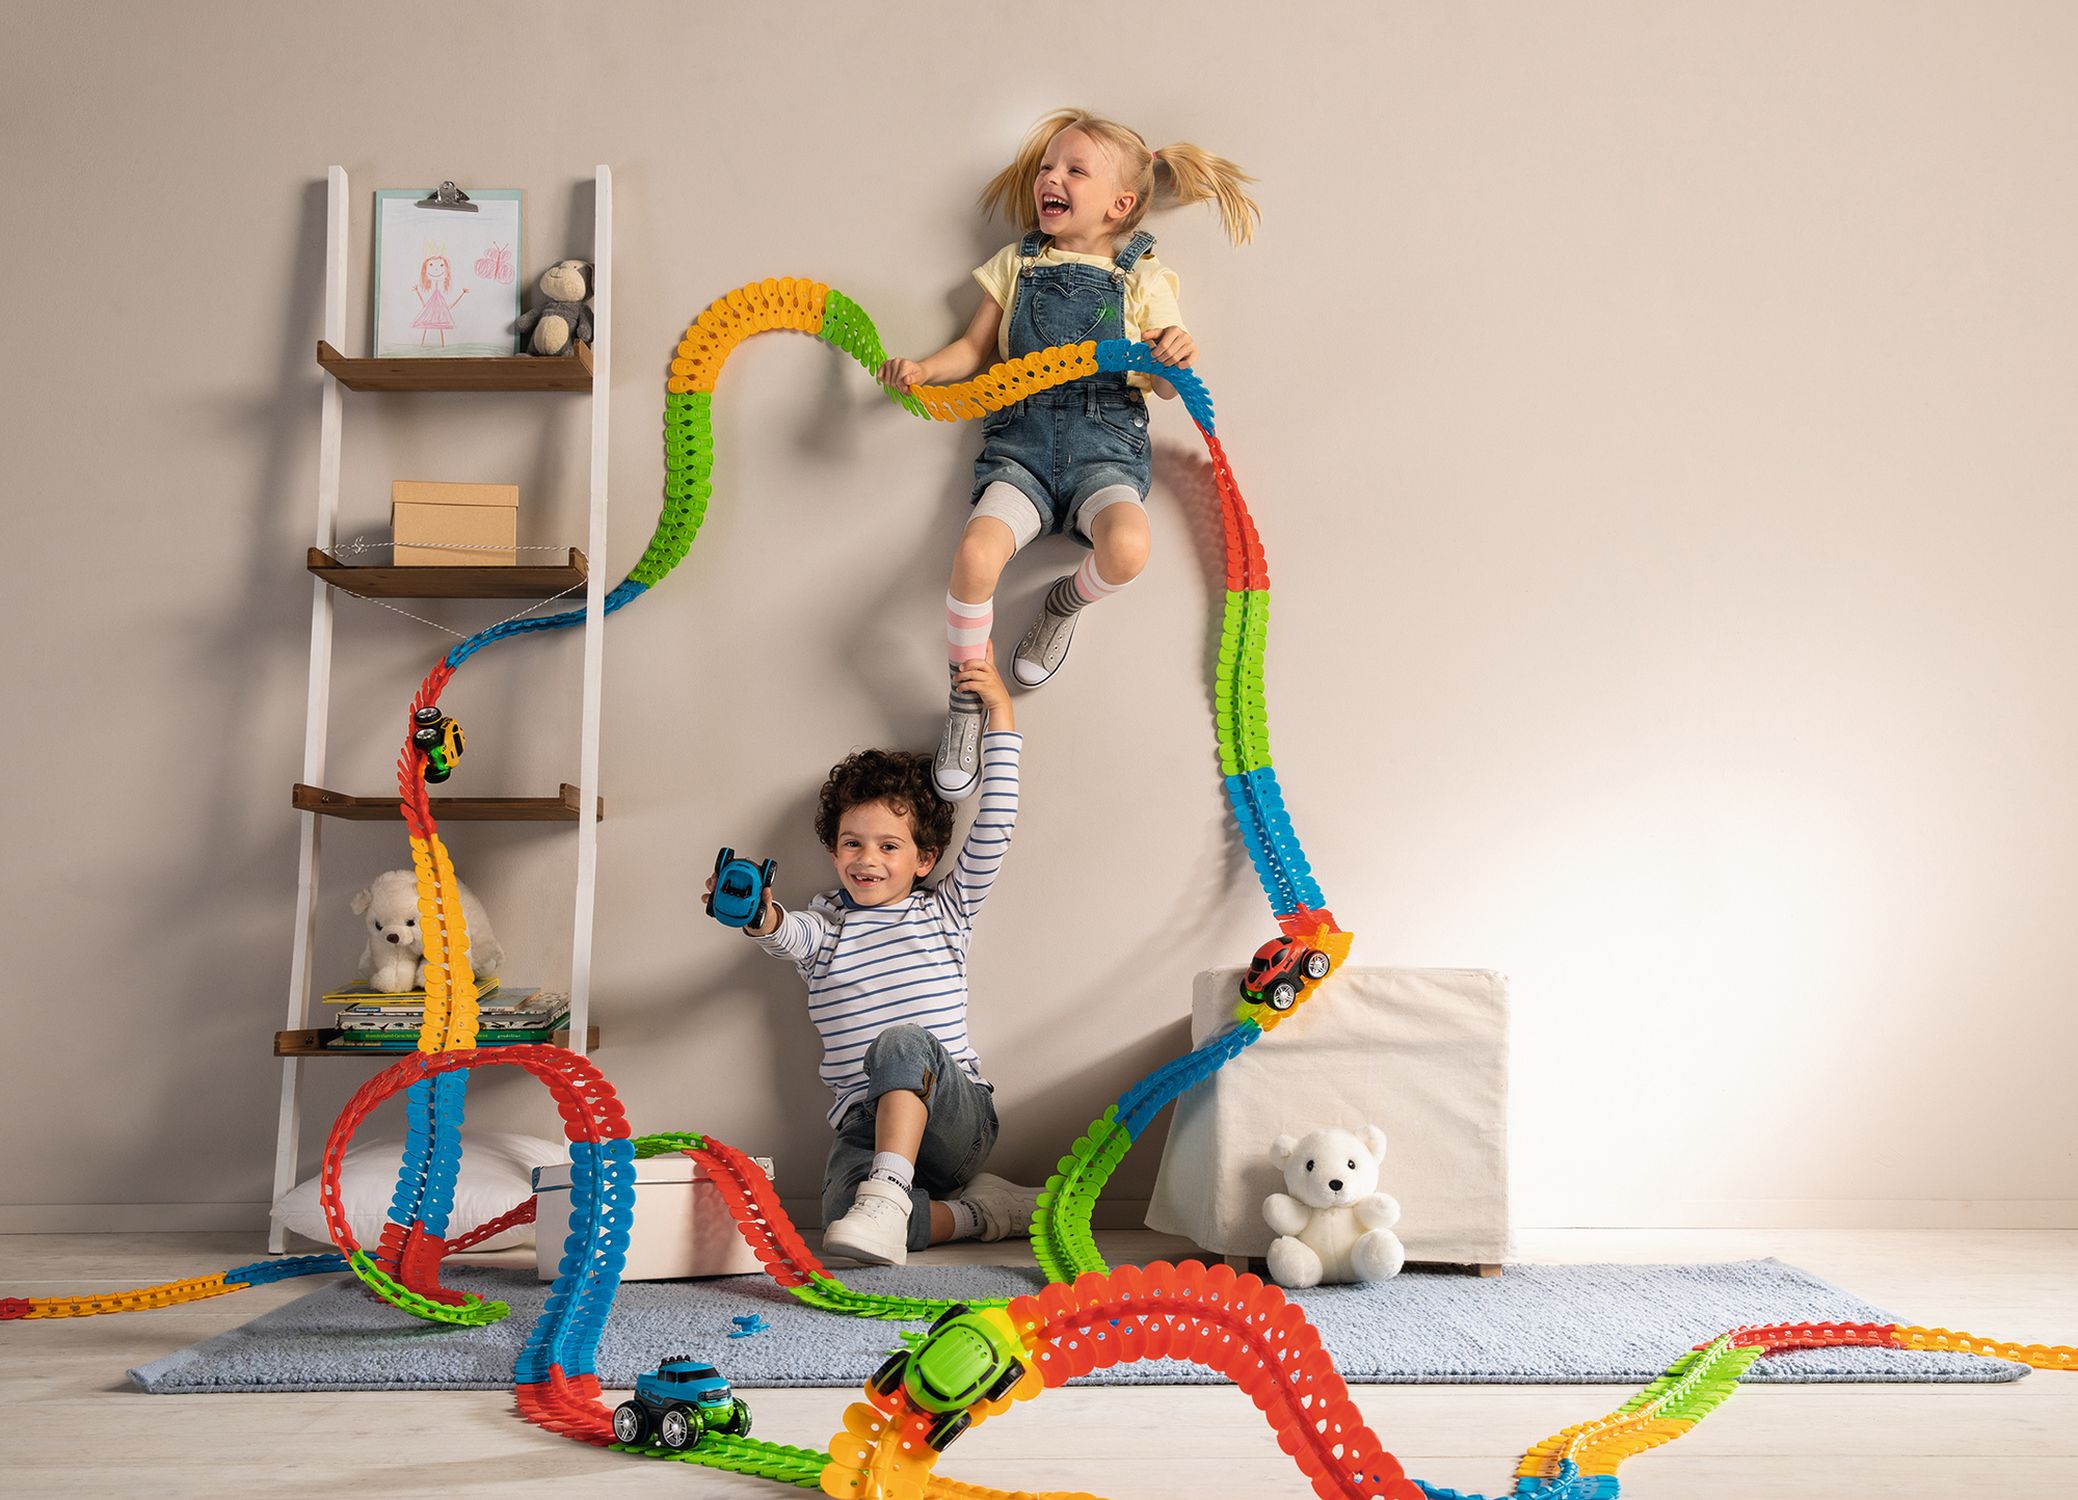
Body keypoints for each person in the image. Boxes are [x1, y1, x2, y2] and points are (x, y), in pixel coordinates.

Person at [879, 108, 1261, 800]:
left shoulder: (1143, 277)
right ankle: (967, 691)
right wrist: (925, 370)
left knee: (1129, 550)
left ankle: (1064, 602)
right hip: (1021, 450)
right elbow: (973, 349)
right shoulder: (1016, 263)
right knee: (974, 556)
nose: (1050, 178)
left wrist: (1173, 354)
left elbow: (1164, 380)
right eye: (1047, 167)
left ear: (1120, 204)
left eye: (1074, 170)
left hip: (1104, 451)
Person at [727, 646, 1039, 1266]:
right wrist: (755, 913)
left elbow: (997, 822)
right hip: (864, 1128)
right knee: (839, 1222)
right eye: (852, 843)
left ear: (924, 859)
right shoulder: (826, 928)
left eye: (889, 846)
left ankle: (892, 1193)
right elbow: (783, 931)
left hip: (955, 1120)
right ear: (833, 850)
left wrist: (1001, 714)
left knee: (900, 1042)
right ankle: (981, 1213)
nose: (867, 859)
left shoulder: (946, 911)